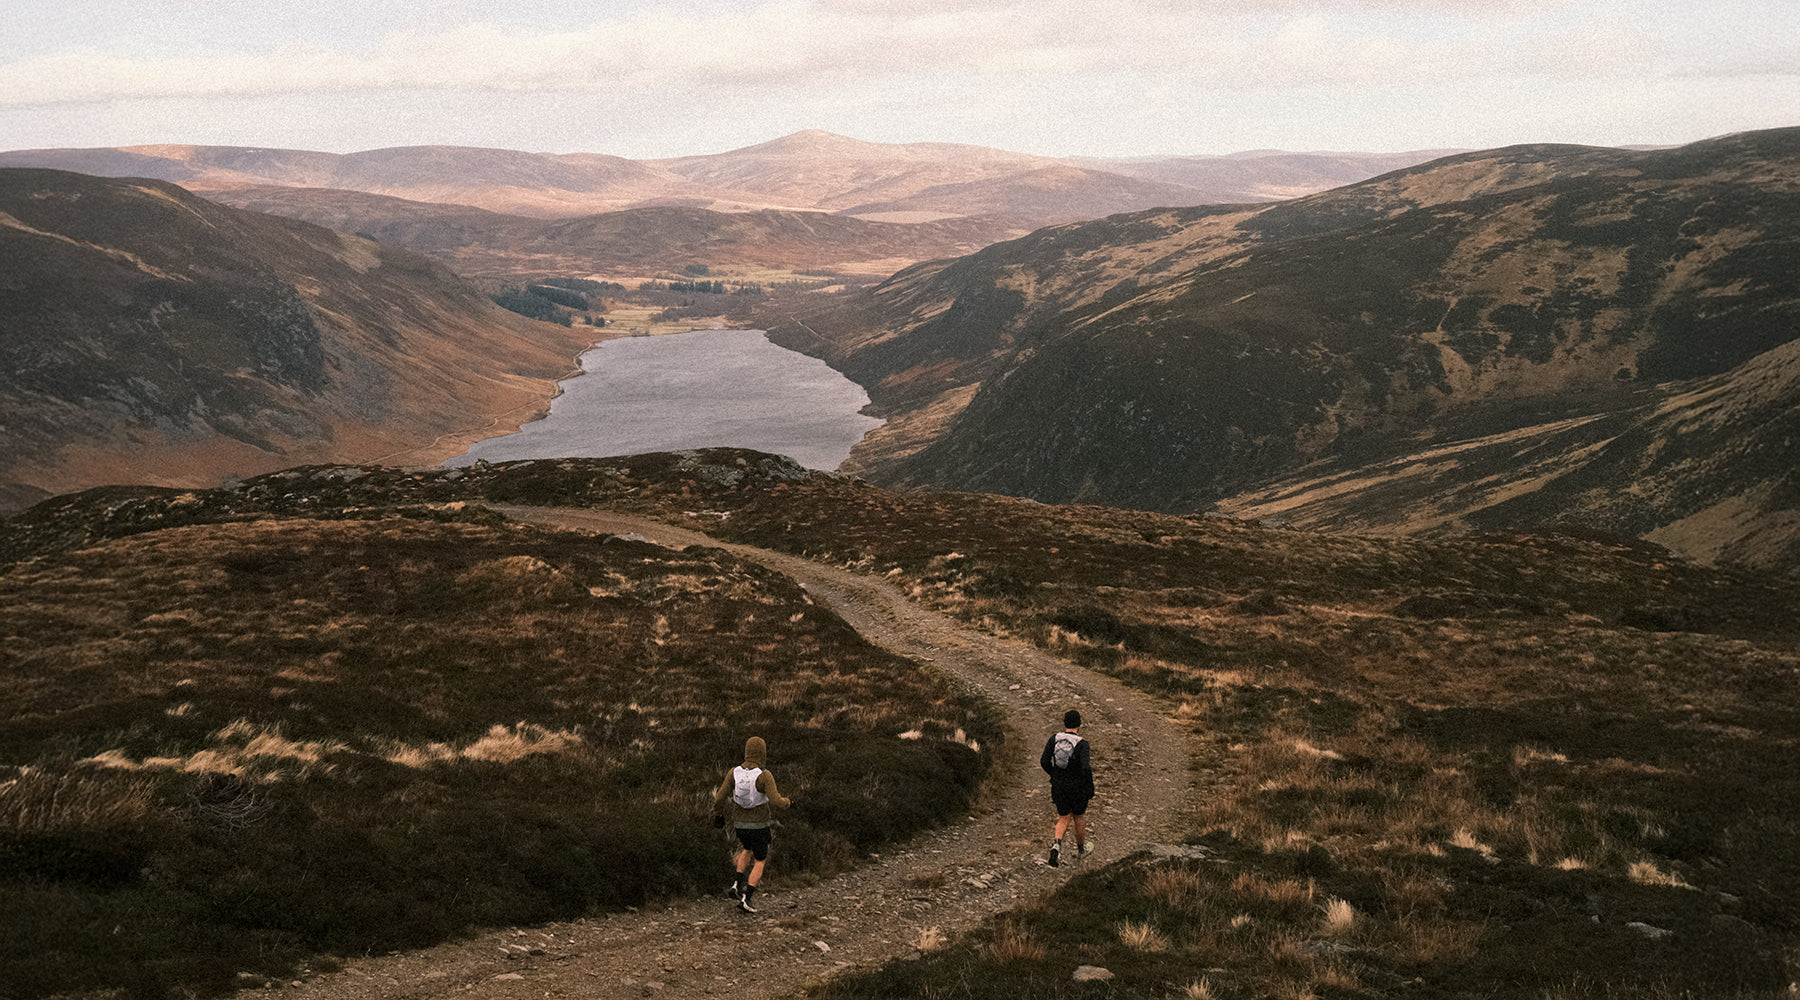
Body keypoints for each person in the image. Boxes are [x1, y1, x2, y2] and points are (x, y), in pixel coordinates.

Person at [712, 735, 792, 913]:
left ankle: (735, 884)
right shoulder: (764, 775)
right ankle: (746, 898)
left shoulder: (734, 772)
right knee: (760, 860)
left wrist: (718, 815)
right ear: (763, 753)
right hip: (759, 826)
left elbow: (719, 798)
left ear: (747, 752)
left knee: (746, 850)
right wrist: (787, 802)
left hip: (739, 824)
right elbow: (776, 800)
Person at [1040, 709, 1094, 867]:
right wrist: (1089, 788)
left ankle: (1056, 846)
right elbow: (1085, 768)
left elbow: (1044, 761)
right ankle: (1081, 850)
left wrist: (1054, 775)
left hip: (1059, 785)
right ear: (1079, 724)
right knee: (1078, 817)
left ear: (1065, 723)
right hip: (1077, 788)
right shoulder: (1083, 744)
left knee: (1063, 817)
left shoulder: (1054, 739)